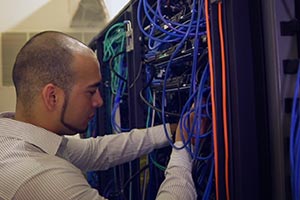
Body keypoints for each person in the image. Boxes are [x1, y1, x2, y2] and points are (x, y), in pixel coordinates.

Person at [0, 31, 196, 200]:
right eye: (91, 91)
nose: (99, 101)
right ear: (53, 96)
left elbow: (95, 151)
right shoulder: (42, 177)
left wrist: (171, 130)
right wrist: (183, 150)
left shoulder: (13, 139)